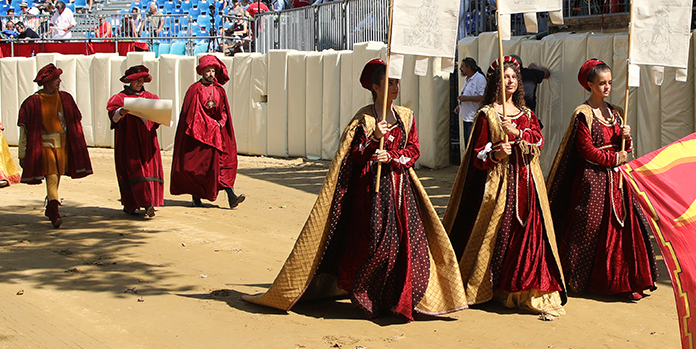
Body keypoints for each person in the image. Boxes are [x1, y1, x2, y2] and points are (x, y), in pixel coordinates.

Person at [254, 60, 468, 321]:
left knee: (401, 245)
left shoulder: (406, 116)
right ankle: (370, 298)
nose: (395, 86)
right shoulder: (363, 119)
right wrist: (371, 141)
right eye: (389, 82)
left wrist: (391, 157)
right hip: (370, 193)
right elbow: (353, 156)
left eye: (396, 82)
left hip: (400, 191)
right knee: (374, 245)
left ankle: (397, 299)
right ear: (375, 87)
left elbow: (413, 151)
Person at [443, 55, 566, 317]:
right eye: (505, 77)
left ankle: (526, 288)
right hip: (498, 186)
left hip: (527, 182)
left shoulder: (528, 115)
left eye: (513, 77)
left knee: (529, 234)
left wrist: (518, 133)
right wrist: (497, 153)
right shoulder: (487, 115)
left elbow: (538, 141)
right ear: (496, 82)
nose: (510, 81)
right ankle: (496, 286)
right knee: (498, 234)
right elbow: (477, 153)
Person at [546, 60, 657, 300]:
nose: (607, 87)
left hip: (617, 183)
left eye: (609, 83)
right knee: (588, 228)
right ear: (590, 85)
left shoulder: (616, 112)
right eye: (601, 83)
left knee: (622, 229)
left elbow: (627, 149)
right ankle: (579, 278)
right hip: (592, 181)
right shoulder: (583, 114)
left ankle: (621, 280)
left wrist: (626, 138)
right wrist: (615, 157)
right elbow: (585, 149)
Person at [17, 64, 93, 228]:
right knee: (51, 175)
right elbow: (24, 131)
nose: (59, 81)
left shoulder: (65, 98)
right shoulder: (32, 102)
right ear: (47, 82)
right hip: (44, 145)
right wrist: (22, 154)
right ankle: (53, 208)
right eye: (55, 79)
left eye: (59, 78)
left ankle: (51, 202)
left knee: (56, 174)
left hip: (64, 144)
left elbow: (74, 121)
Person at [171, 55, 242, 209]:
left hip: (217, 134)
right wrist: (210, 125)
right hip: (199, 136)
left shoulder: (219, 91)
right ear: (202, 72)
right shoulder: (194, 90)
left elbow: (223, 111)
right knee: (199, 167)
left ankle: (231, 195)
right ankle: (196, 197)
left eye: (213, 71)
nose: (211, 74)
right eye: (208, 71)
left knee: (222, 164)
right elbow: (192, 114)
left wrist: (221, 123)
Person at [107, 65, 164, 218]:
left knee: (149, 169)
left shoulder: (151, 97)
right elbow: (113, 115)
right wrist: (121, 112)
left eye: (141, 80)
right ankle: (137, 203)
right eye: (135, 80)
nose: (139, 83)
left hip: (147, 141)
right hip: (129, 142)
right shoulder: (119, 98)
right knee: (134, 170)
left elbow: (160, 117)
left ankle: (148, 202)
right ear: (129, 81)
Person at [456, 57, 486, 146]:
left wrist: (467, 98)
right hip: (466, 116)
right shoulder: (467, 79)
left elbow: (482, 97)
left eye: (462, 66)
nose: (460, 68)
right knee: (467, 143)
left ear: (468, 68)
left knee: (471, 144)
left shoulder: (479, 79)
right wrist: (459, 106)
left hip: (473, 117)